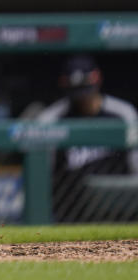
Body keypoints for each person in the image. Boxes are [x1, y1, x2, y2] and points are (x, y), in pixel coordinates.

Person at [36, 55, 138, 221]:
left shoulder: (123, 114)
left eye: (85, 91)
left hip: (119, 212)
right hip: (70, 212)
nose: (82, 98)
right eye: (77, 93)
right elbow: (41, 176)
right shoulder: (51, 119)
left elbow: (136, 168)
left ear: (97, 81)